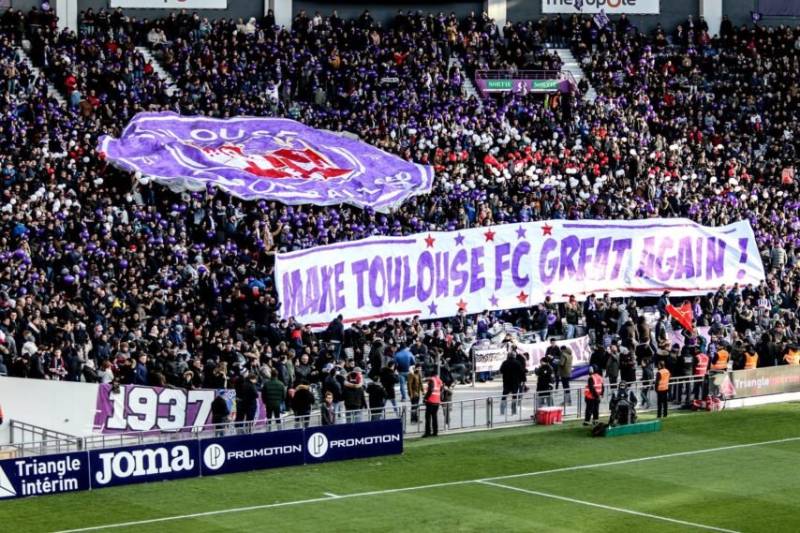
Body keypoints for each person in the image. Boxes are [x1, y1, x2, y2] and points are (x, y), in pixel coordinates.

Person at [423, 371, 442, 437]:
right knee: (434, 416)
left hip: (431, 401)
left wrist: (425, 398)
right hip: (437, 401)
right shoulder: (439, 380)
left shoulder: (432, 380)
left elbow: (430, 390)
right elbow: (441, 390)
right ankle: (435, 432)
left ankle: (427, 432)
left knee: (428, 417)